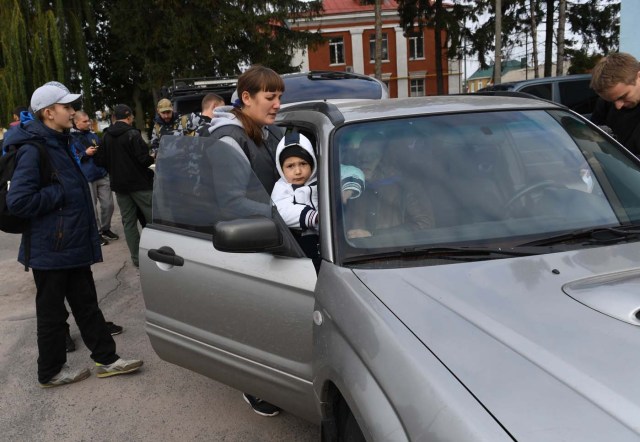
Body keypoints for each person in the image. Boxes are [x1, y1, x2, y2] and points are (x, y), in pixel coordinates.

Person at [6, 81, 143, 387]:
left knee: (87, 305)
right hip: (51, 248)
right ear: (48, 112)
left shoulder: (60, 141)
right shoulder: (34, 149)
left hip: (70, 244)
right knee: (53, 315)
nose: (72, 112)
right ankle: (51, 372)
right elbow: (19, 202)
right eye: (66, 107)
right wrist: (59, 192)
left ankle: (107, 359)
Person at [202, 65, 284, 417]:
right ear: (246, 98)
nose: (278, 104)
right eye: (271, 97)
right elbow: (232, 201)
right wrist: (280, 212)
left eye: (280, 96)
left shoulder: (265, 132)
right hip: (248, 238)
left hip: (268, 232)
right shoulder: (229, 139)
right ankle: (256, 385)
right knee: (257, 319)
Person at [345, 132, 433, 239]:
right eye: (361, 155)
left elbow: (425, 225)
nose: (365, 160)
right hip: (353, 253)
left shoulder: (406, 187)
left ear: (385, 160)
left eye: (373, 156)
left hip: (395, 252)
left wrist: (374, 236)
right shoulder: (349, 187)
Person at [98, 104, 154, 268]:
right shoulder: (132, 134)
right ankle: (160, 252)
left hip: (120, 187)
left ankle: (137, 259)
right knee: (153, 220)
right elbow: (143, 159)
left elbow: (101, 161)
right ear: (129, 117)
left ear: (115, 117)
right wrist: (152, 157)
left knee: (128, 223)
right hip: (140, 185)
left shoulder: (106, 136)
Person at [71, 111, 119, 244]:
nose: (89, 123)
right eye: (85, 121)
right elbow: (71, 159)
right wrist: (84, 154)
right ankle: (96, 232)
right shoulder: (71, 138)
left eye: (89, 120)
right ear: (76, 123)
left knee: (108, 205)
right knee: (92, 208)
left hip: (101, 173)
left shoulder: (93, 135)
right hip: (86, 176)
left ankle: (105, 228)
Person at [271, 131, 319, 259]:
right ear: (281, 168)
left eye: (303, 164)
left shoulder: (323, 178)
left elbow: (347, 172)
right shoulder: (282, 187)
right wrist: (313, 216)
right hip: (301, 242)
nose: (298, 171)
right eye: (290, 166)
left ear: (312, 163)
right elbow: (281, 210)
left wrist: (348, 190)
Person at [590, 52, 640, 156]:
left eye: (623, 96)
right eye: (611, 101)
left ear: (638, 77)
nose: (618, 106)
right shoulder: (604, 103)